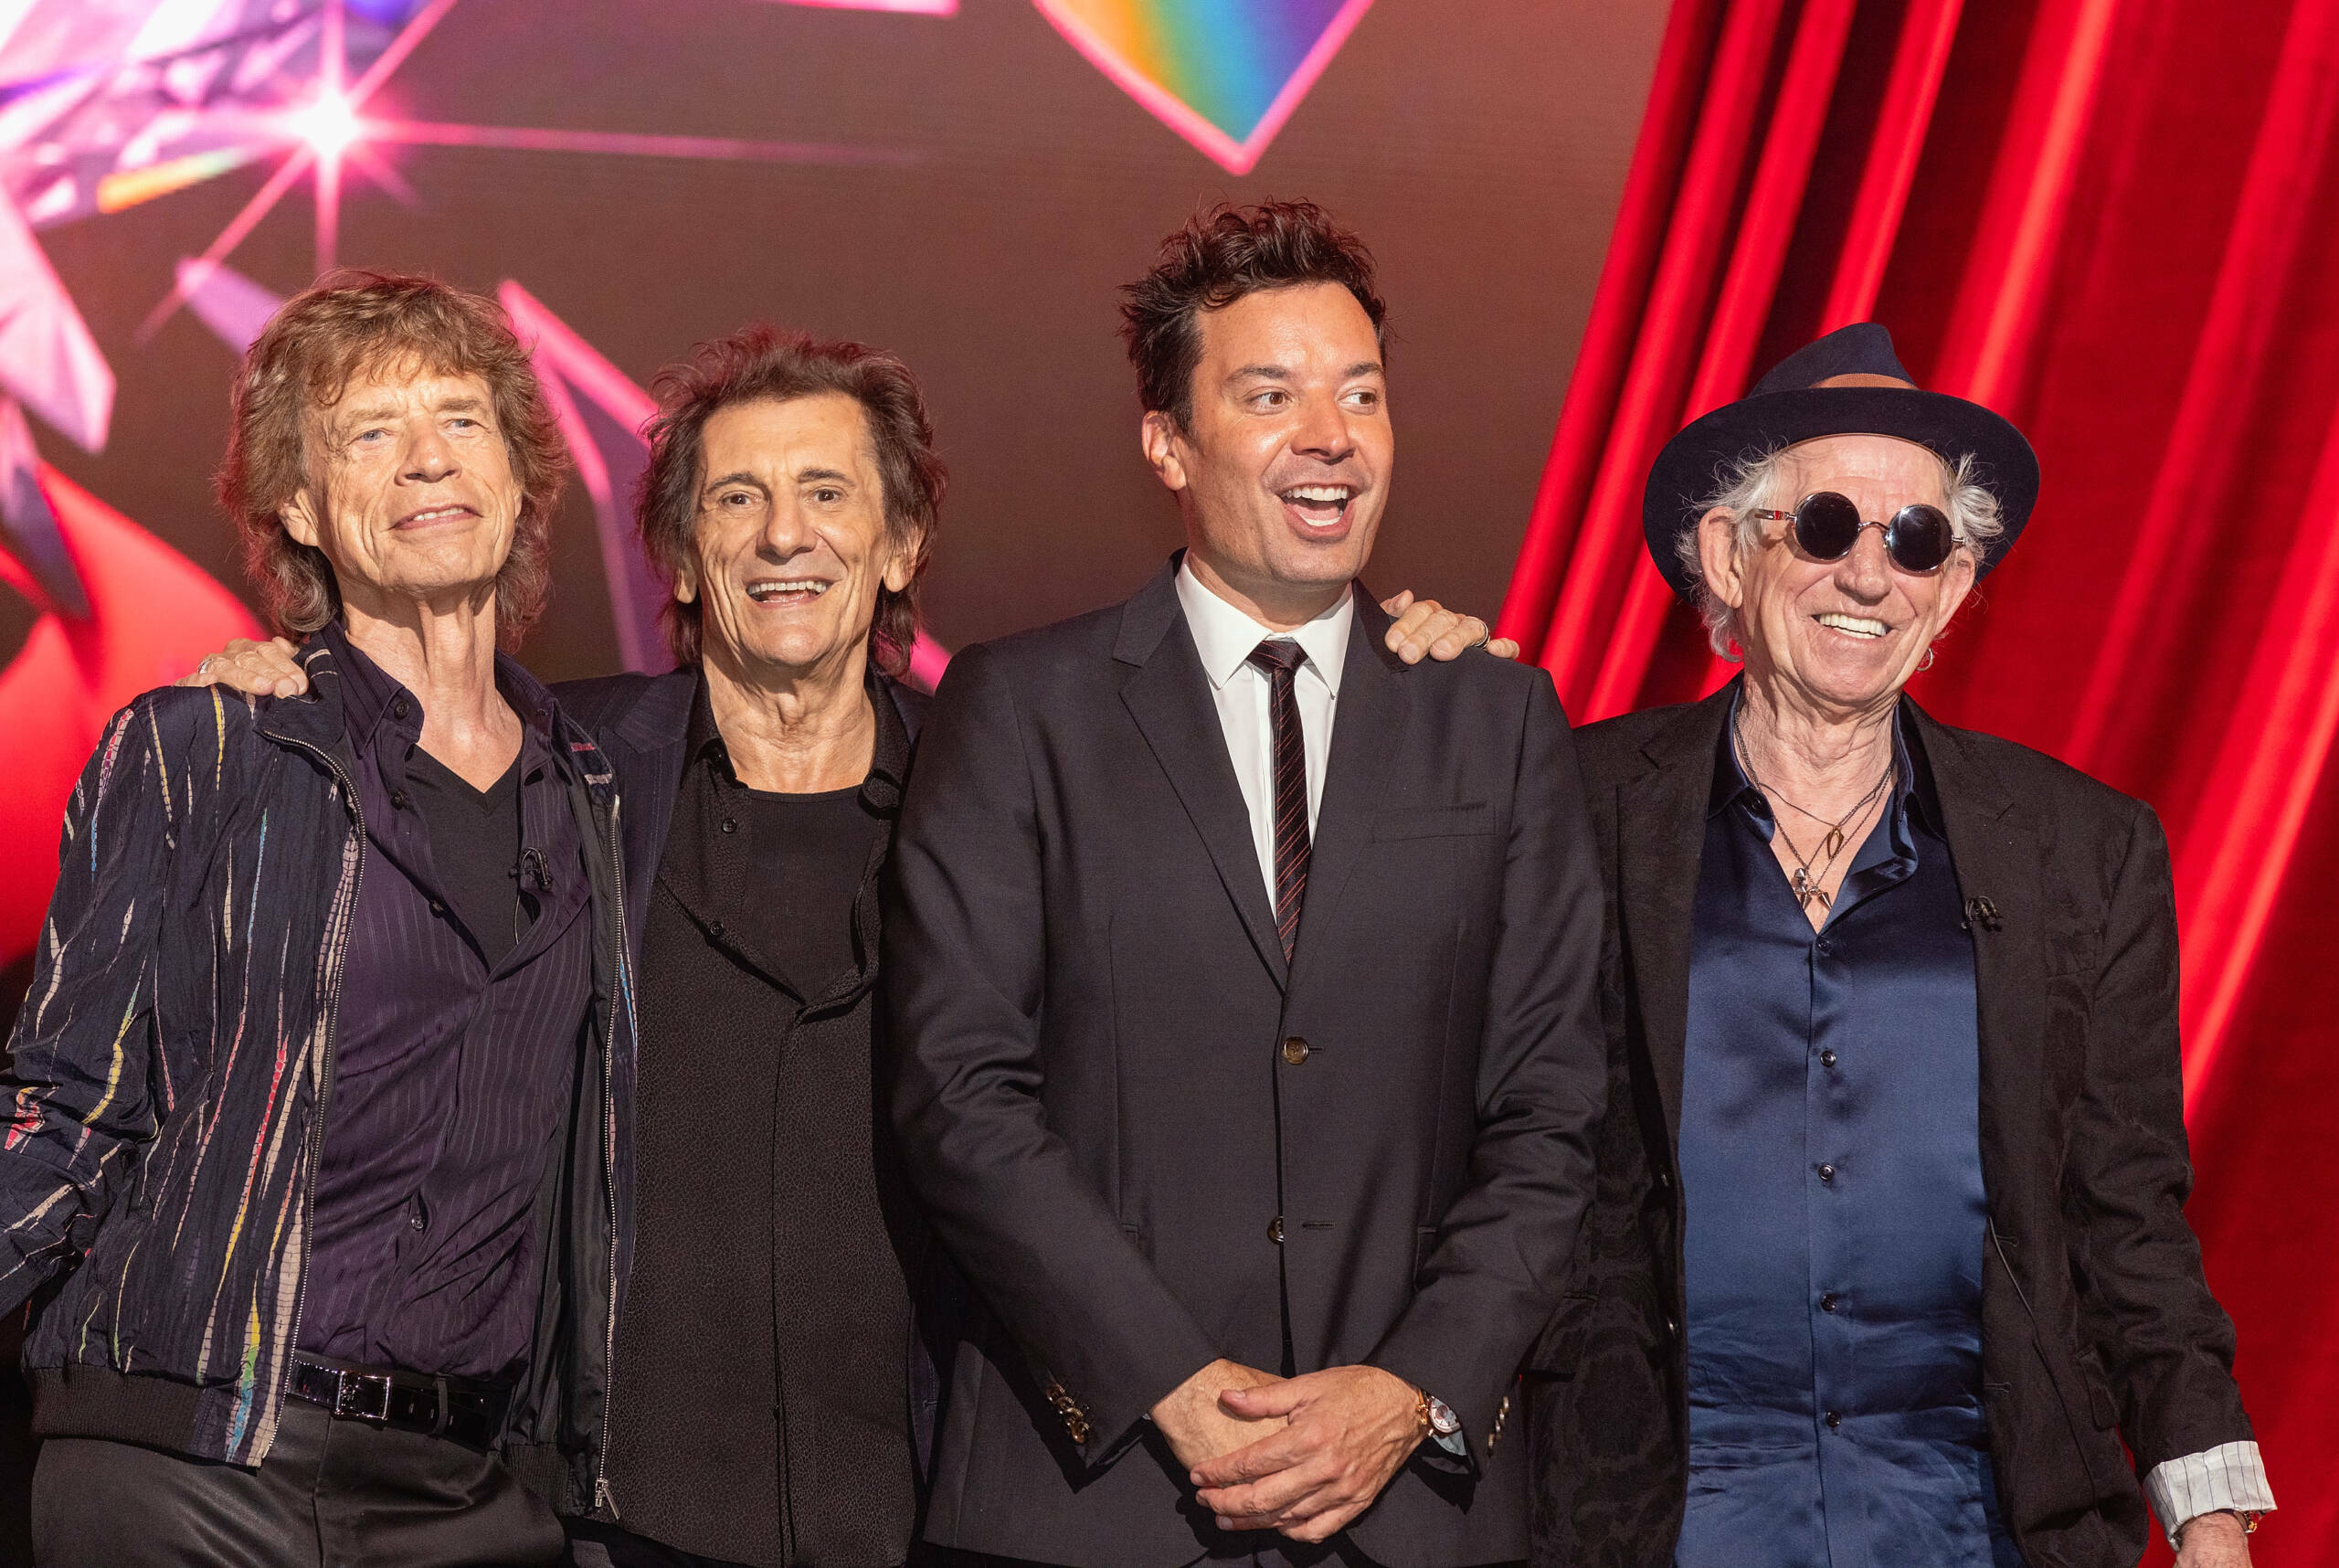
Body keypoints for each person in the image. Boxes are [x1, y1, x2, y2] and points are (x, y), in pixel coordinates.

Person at [185, 323, 1507, 1567]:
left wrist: (1407, 662)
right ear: (685, 558)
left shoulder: (1012, 791)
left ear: (902, 544)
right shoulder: (557, 769)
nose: (784, 538)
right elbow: (386, 770)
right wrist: (277, 686)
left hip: (929, 1505)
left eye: (828, 494)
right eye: (736, 501)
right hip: (601, 1513)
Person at [882, 199, 1607, 1568]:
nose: (1329, 435)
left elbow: (1554, 1114)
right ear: (1166, 441)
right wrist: (1170, 1384)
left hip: (1407, 1512)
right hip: (1090, 1505)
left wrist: (1406, 1395)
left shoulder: (1495, 722)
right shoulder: (1019, 710)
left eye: (1362, 395)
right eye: (1269, 395)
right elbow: (960, 1095)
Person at [1524, 323, 2275, 1568]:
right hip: (1655, 1514)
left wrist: (2207, 1509)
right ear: (1727, 551)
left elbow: (2128, 1216)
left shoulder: (2080, 849)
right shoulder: (1565, 809)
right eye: (1825, 526)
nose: (1869, 576)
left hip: (1980, 1520)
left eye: (1916, 540)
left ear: (1955, 586)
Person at [0, 271, 625, 1564]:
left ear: (517, 478)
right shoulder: (206, 748)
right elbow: (60, 1103)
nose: (427, 462)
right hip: (197, 1468)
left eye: (460, 419)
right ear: (297, 506)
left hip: (468, 1494)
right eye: (370, 433)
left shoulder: (596, 792)